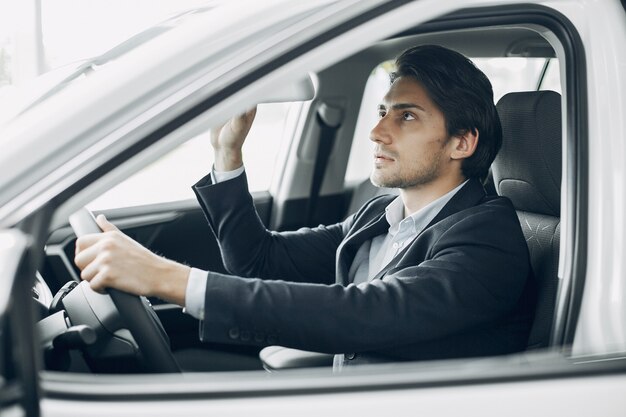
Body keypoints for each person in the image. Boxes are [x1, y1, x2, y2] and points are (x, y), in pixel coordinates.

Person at [75, 45, 535, 367]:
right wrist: (228, 155)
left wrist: (164, 277)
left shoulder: (488, 242)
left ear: (462, 142)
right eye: (382, 112)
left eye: (407, 116)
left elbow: (360, 314)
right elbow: (260, 260)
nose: (377, 133)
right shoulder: (382, 214)